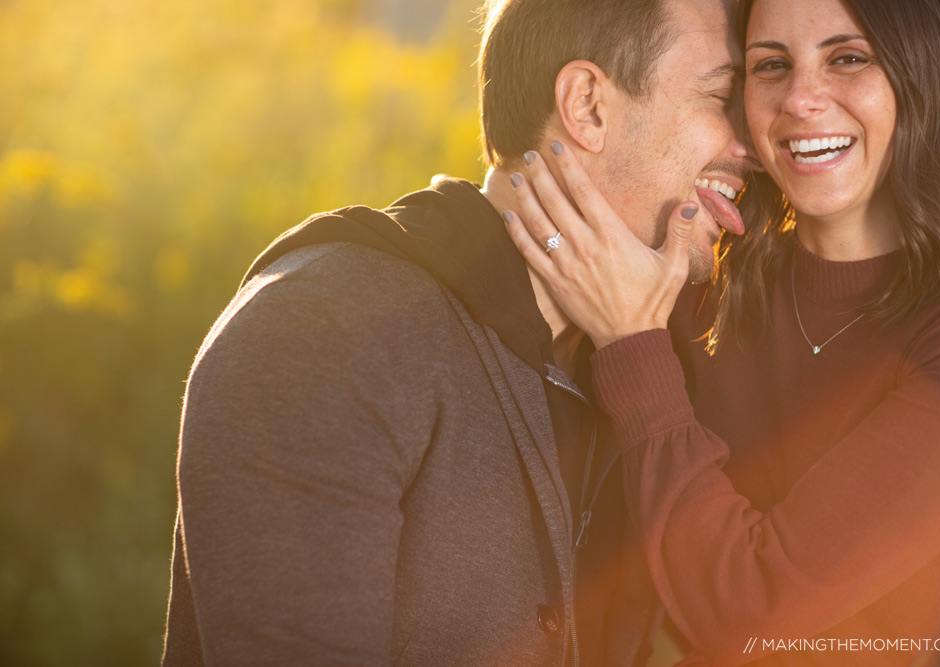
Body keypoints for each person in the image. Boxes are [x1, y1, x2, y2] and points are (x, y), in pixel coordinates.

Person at [160, 0, 753, 664]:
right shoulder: (323, 331)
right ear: (587, 105)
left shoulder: (637, 367)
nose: (750, 144)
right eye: (723, 96)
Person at [504, 0, 940, 663]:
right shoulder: (698, 293)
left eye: (847, 58)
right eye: (770, 66)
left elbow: (752, 607)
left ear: (923, 74)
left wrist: (632, 345)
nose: (800, 98)